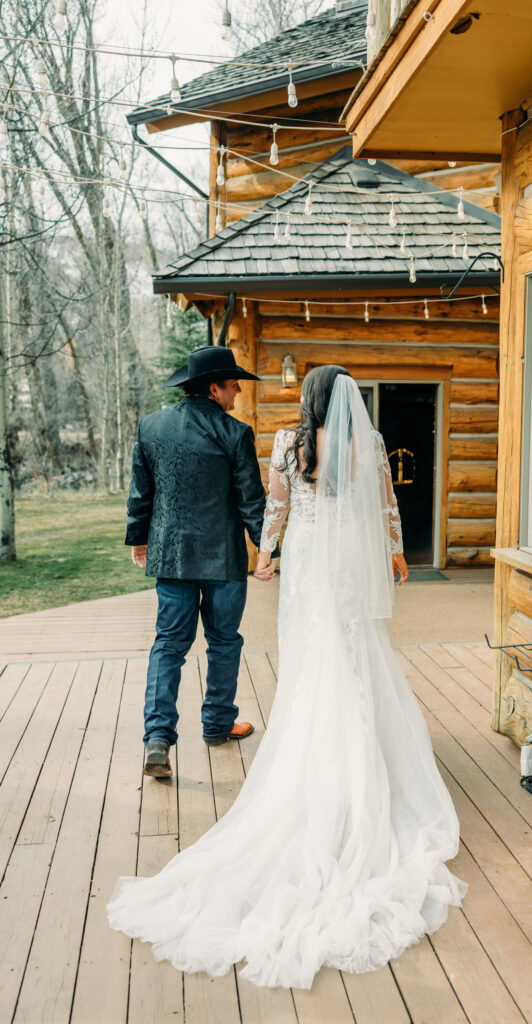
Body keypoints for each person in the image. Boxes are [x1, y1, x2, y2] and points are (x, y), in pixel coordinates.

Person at [108, 364, 467, 989]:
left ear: (311, 400)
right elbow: (386, 503)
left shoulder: (282, 440)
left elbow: (274, 505)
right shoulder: (369, 442)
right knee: (352, 651)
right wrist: (397, 551)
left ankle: (204, 739)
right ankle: (352, 751)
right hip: (349, 557)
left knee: (291, 652)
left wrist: (268, 552)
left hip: (302, 558)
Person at [126, 345, 268, 778]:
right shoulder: (236, 433)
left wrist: (138, 538)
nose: (238, 390)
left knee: (168, 645)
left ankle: (157, 740)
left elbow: (141, 491)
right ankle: (217, 725)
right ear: (213, 388)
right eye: (232, 383)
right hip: (223, 558)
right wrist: (268, 550)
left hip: (170, 555)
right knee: (224, 642)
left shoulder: (150, 427)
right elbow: (251, 501)